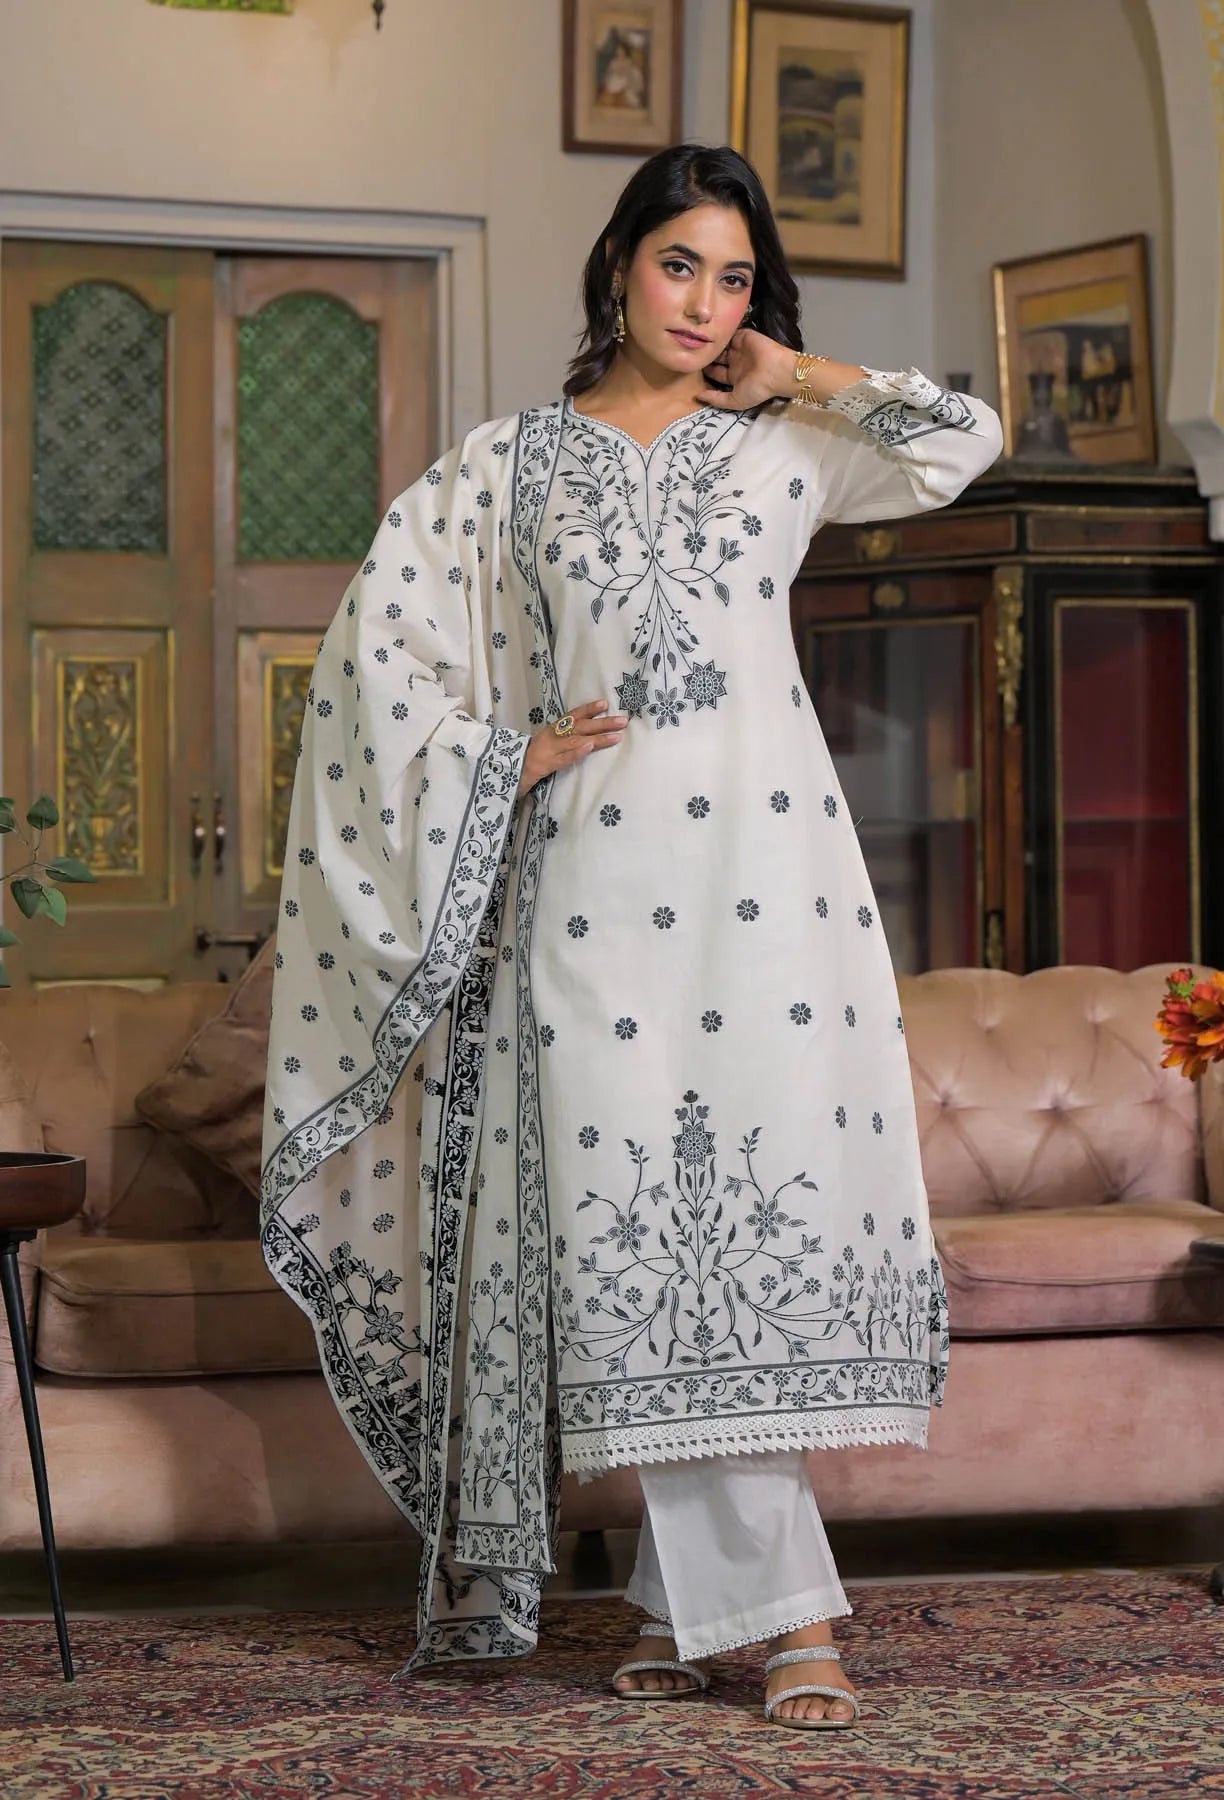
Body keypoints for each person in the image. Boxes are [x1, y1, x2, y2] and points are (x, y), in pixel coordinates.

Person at [260, 143, 1003, 1732]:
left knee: (745, 1223)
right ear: (619, 267)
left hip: (776, 897)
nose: (705, 301)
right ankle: (792, 1621)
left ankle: (693, 1605)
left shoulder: (794, 438)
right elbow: (373, 661)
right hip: (589, 899)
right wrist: (495, 751)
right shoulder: (509, 465)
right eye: (682, 266)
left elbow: (966, 442)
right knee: (634, 1238)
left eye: (737, 277)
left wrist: (793, 365)